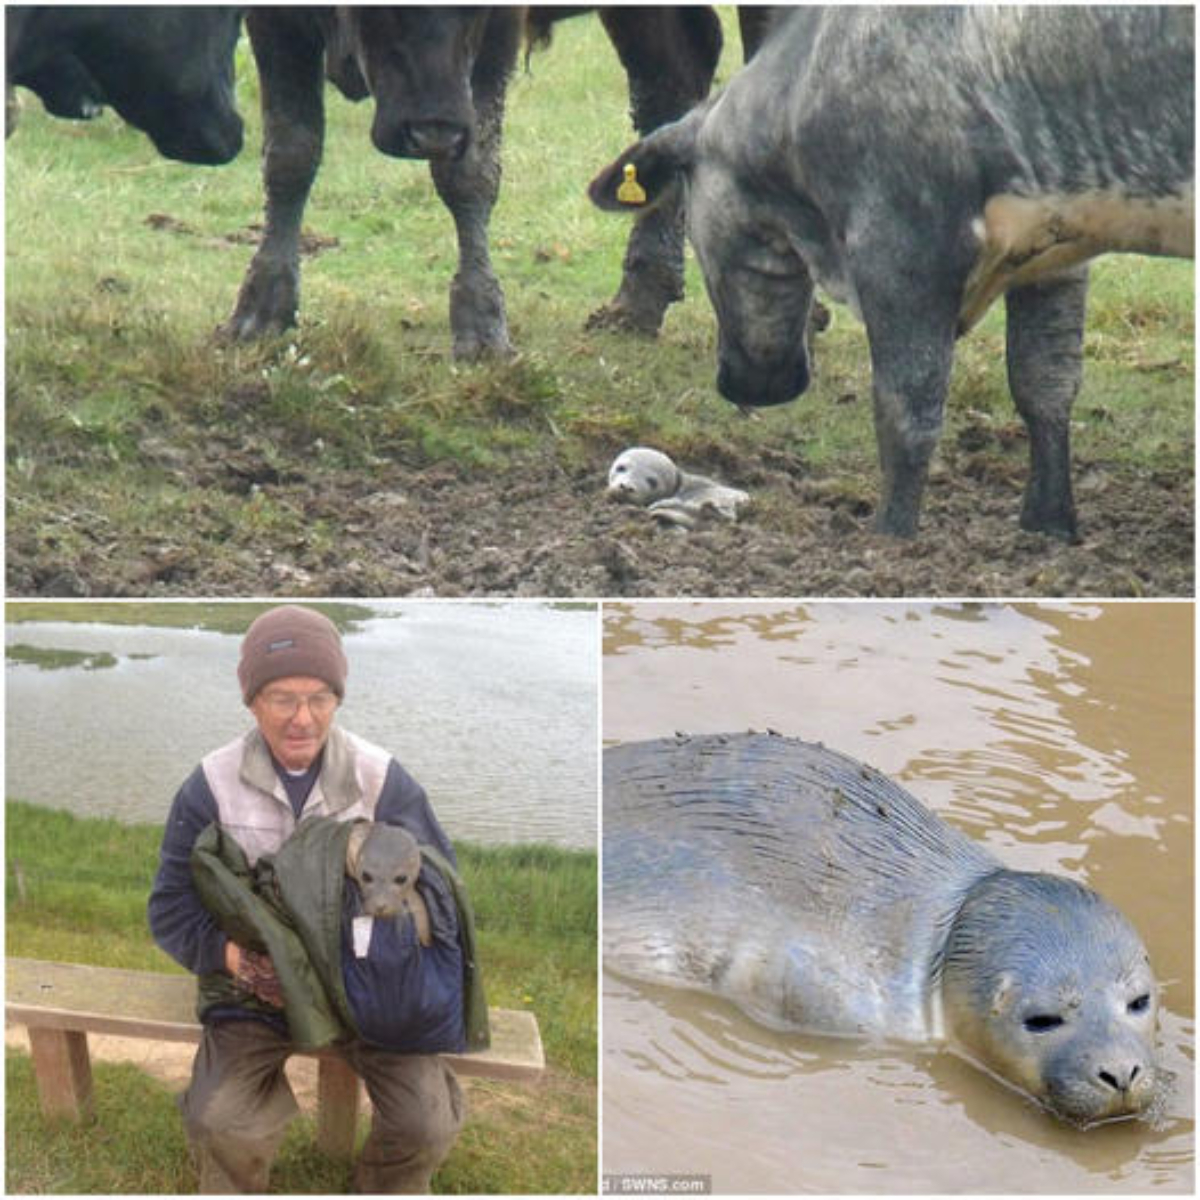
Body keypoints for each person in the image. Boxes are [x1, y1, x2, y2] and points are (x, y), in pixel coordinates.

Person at [148, 604, 465, 1193]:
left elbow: (439, 893)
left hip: (370, 996)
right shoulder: (208, 785)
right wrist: (236, 961)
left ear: (338, 699)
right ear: (251, 702)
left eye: (320, 697)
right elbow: (170, 908)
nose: (303, 718)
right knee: (216, 1118)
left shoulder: (383, 780)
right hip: (257, 995)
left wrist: (387, 956)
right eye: (282, 699)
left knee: (425, 1123)